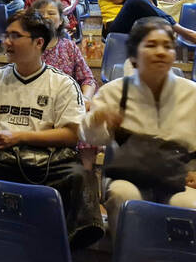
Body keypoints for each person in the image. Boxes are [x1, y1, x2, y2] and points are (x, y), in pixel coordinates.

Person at [0, 10, 104, 249]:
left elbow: (72, 135)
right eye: (6, 36)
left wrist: (20, 137)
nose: (6, 42)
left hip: (48, 160)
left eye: (15, 36)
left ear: (38, 42)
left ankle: (64, 256)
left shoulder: (64, 84)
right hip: (0, 157)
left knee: (81, 177)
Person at [81, 17, 196, 231]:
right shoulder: (114, 91)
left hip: (183, 175)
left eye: (167, 46)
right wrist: (98, 119)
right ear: (134, 55)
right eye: (151, 45)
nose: (161, 52)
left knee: (187, 205)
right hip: (131, 174)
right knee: (125, 197)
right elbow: (90, 138)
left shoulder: (192, 93)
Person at [31, 0, 96, 104]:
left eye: (51, 13)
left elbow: (87, 79)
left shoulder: (69, 46)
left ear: (61, 21)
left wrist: (86, 99)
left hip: (66, 102)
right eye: (41, 14)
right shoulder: (26, 47)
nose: (46, 16)